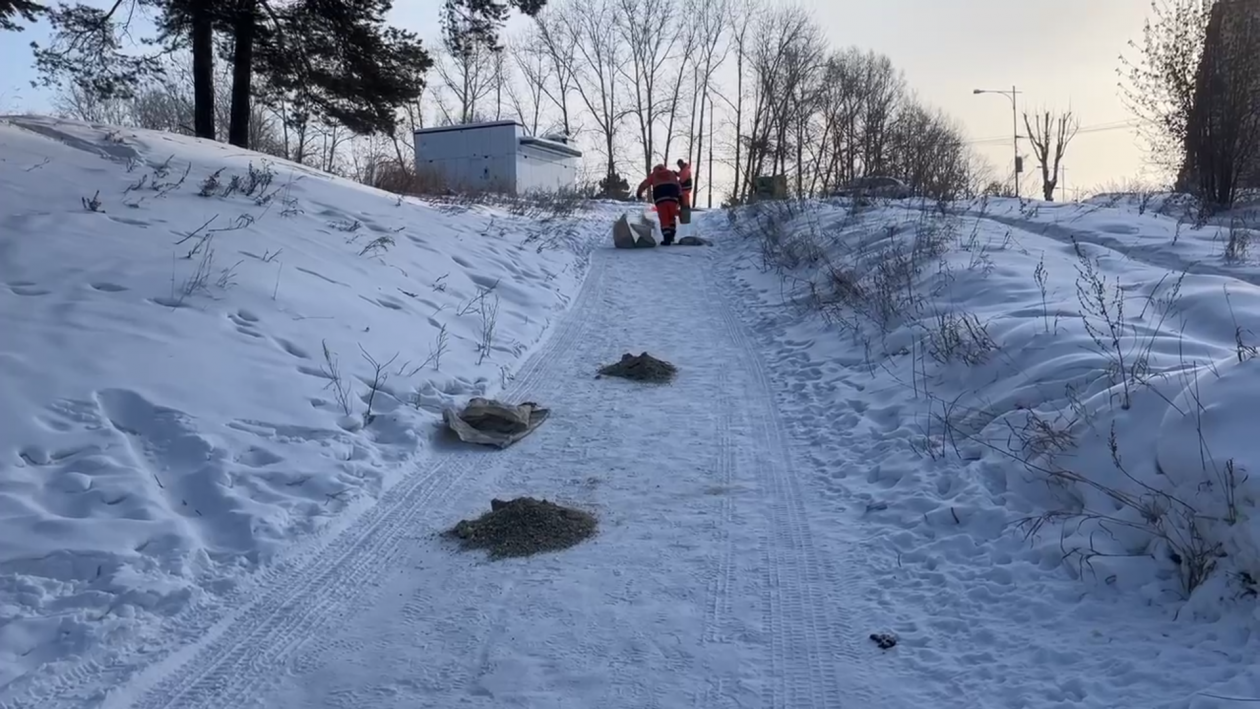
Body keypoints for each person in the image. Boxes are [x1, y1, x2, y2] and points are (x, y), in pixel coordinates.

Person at [635, 163, 682, 245]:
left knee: (664, 217)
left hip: (660, 198)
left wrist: (639, 193)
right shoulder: (671, 173)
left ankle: (667, 237)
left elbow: (645, 184)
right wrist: (681, 198)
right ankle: (671, 234)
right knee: (671, 216)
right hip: (673, 198)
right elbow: (678, 186)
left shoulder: (654, 175)